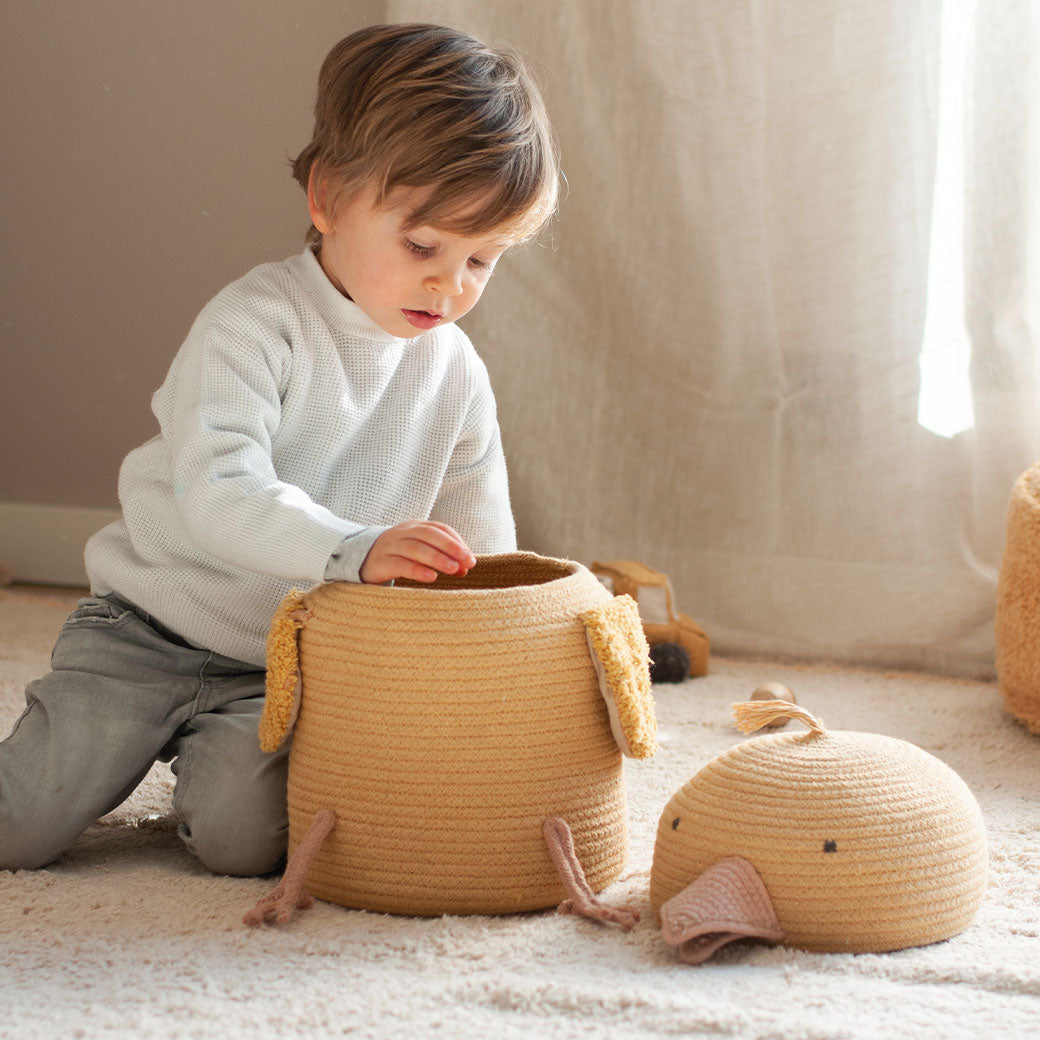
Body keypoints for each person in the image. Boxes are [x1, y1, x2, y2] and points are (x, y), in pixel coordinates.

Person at [0, 23, 559, 876]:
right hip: (145, 632)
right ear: (327, 196)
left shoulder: (455, 373)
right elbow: (221, 492)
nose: (451, 285)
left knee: (246, 842)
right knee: (18, 828)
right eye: (422, 246)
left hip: (283, 665)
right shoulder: (253, 326)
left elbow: (478, 547)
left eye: (483, 259)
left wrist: (510, 654)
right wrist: (355, 548)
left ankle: (204, 764)